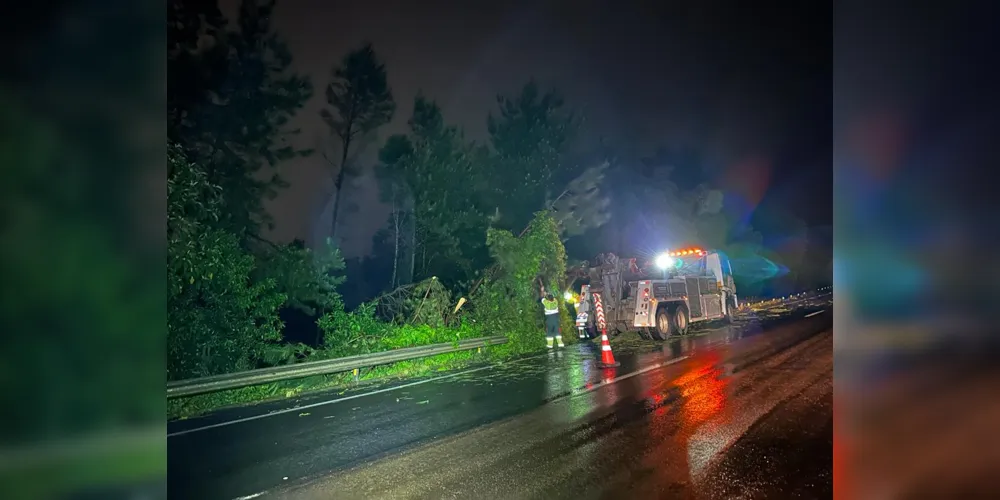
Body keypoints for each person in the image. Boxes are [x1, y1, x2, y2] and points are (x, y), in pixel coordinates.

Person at [539, 284, 565, 349]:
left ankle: (550, 345)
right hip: (556, 318)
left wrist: (542, 291)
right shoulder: (555, 301)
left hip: (549, 319)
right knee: (557, 331)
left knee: (549, 331)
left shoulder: (547, 303)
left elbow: (542, 298)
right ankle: (560, 344)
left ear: (547, 299)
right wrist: (547, 294)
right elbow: (551, 296)